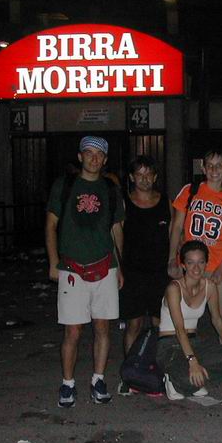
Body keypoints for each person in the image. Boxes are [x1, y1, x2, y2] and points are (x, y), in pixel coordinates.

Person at [45, 136, 125, 408]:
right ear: (80, 157)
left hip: (105, 267)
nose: (93, 158)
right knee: (73, 331)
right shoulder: (64, 185)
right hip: (72, 268)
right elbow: (50, 224)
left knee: (103, 327)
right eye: (88, 153)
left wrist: (120, 266)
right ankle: (68, 384)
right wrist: (53, 261)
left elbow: (117, 229)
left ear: (105, 160)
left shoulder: (111, 189)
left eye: (98, 155)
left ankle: (98, 380)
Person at [168, 150, 222, 348]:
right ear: (203, 168)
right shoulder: (190, 190)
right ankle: (178, 355)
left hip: (217, 265)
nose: (214, 170)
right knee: (180, 313)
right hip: (190, 264)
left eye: (219, 165)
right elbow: (176, 226)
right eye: (210, 165)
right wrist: (172, 257)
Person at [157, 240, 222, 400]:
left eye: (200, 262)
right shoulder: (174, 288)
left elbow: (217, 320)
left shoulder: (209, 286)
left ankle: (195, 380)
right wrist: (193, 362)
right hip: (170, 345)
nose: (196, 268)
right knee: (188, 374)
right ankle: (174, 379)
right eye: (190, 263)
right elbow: (179, 329)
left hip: (195, 342)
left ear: (206, 263)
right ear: (183, 265)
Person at [118, 156, 172, 359]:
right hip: (133, 273)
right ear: (132, 177)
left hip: (160, 271)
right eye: (139, 174)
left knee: (161, 322)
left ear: (155, 177)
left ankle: (158, 366)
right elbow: (116, 235)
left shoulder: (165, 201)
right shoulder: (124, 203)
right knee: (134, 323)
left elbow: (174, 233)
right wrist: (118, 267)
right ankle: (130, 367)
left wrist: (174, 261)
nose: (144, 178)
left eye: (148, 174)